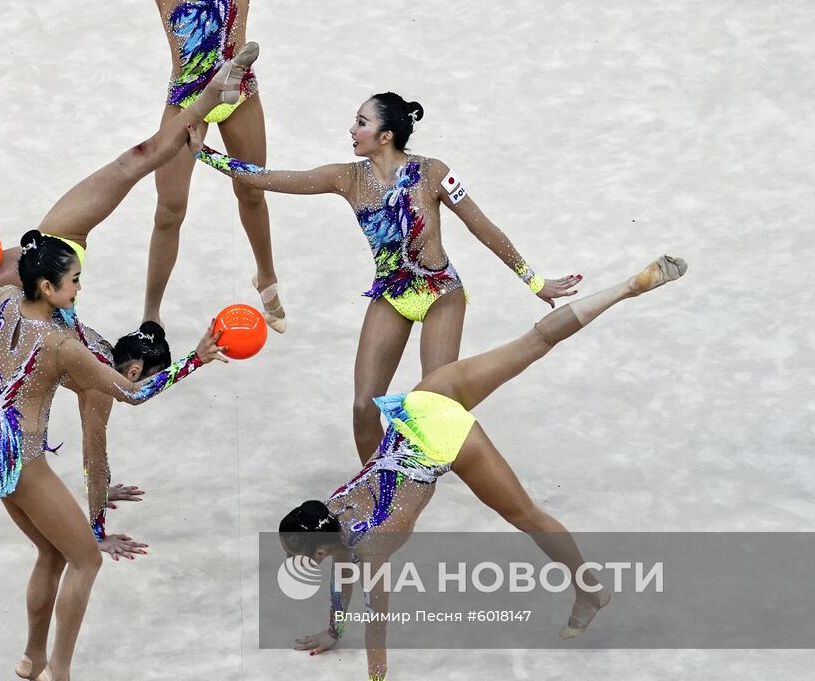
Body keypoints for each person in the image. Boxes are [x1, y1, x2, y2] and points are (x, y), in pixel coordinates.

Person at [279, 255, 689, 681]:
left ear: (320, 549)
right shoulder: (334, 506)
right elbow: (340, 572)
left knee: (527, 515)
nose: (301, 562)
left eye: (300, 556)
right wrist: (334, 630)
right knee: (535, 340)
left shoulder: (369, 547)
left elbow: (377, 618)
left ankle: (592, 589)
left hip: (444, 439)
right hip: (423, 401)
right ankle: (627, 287)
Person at [0, 47, 256, 558]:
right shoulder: (97, 385)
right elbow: (95, 460)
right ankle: (211, 93)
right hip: (48, 266)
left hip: (51, 256)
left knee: (134, 161)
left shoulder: (87, 342)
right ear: (132, 369)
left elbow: (99, 462)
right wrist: (98, 532)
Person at [0, 232, 229, 681]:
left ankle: (32, 657)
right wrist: (195, 359)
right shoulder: (61, 345)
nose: (79, 289)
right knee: (86, 560)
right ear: (47, 286)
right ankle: (59, 674)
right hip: (24, 460)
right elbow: (132, 393)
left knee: (51, 553)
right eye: (74, 281)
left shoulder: (2, 300)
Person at [190, 92, 581, 459]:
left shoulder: (432, 172)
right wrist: (204, 154)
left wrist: (534, 281)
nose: (352, 129)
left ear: (385, 136)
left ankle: (434, 467)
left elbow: (483, 227)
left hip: (440, 293)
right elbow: (268, 177)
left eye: (361, 123)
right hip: (392, 295)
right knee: (363, 407)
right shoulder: (347, 178)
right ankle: (377, 485)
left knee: (434, 404)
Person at [141, 0, 286, 331]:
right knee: (169, 210)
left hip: (238, 94)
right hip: (187, 99)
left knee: (251, 189)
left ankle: (266, 276)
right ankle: (151, 313)